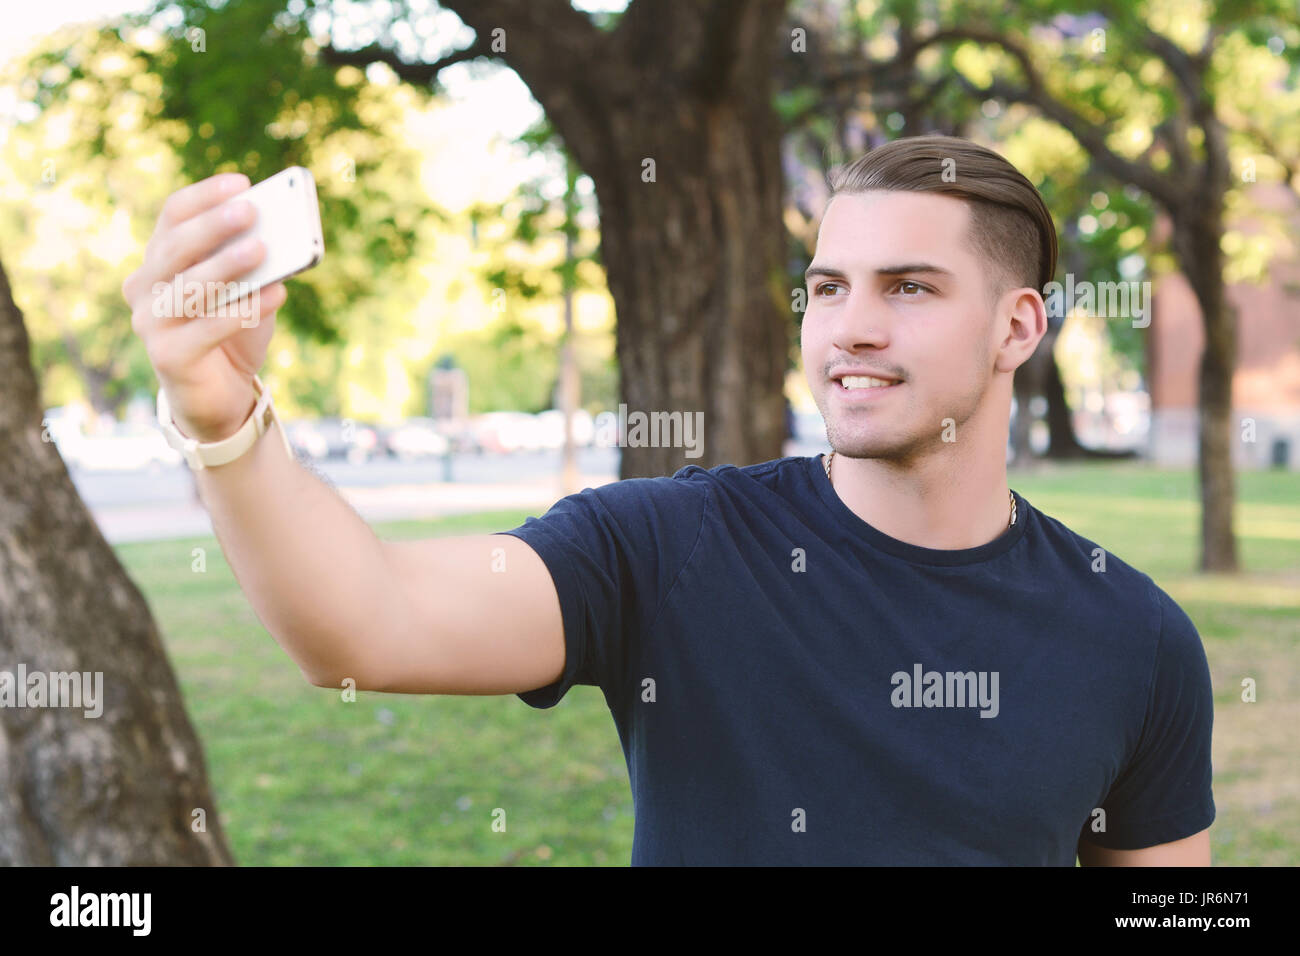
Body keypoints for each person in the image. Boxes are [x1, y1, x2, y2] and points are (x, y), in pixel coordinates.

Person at [121, 135, 1214, 866]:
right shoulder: (672, 544)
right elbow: (365, 623)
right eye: (827, 286)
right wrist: (221, 413)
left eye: (909, 288)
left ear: (1016, 327)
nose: (850, 327)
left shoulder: (1136, 636)